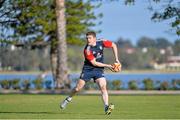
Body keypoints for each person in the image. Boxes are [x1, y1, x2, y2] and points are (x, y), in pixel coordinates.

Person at [60, 31, 120, 115]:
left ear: (94, 38)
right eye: (87, 38)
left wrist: (116, 59)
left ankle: (106, 107)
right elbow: (94, 63)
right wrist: (109, 66)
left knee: (103, 87)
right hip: (88, 69)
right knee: (77, 88)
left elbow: (114, 45)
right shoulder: (87, 50)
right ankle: (68, 99)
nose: (88, 40)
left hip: (99, 70)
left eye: (89, 38)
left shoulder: (102, 42)